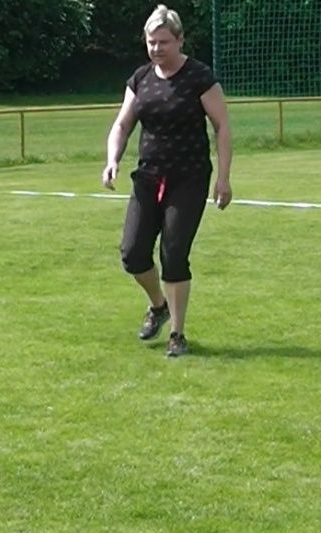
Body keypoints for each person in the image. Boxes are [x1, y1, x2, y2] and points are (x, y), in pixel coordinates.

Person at [101, 4, 232, 357]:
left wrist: (223, 179)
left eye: (163, 42)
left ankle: (177, 333)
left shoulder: (199, 77)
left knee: (174, 253)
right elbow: (122, 124)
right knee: (132, 253)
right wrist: (112, 158)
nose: (157, 48)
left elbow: (221, 127)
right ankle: (157, 306)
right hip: (148, 177)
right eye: (151, 42)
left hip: (188, 178)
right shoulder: (140, 78)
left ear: (179, 40)